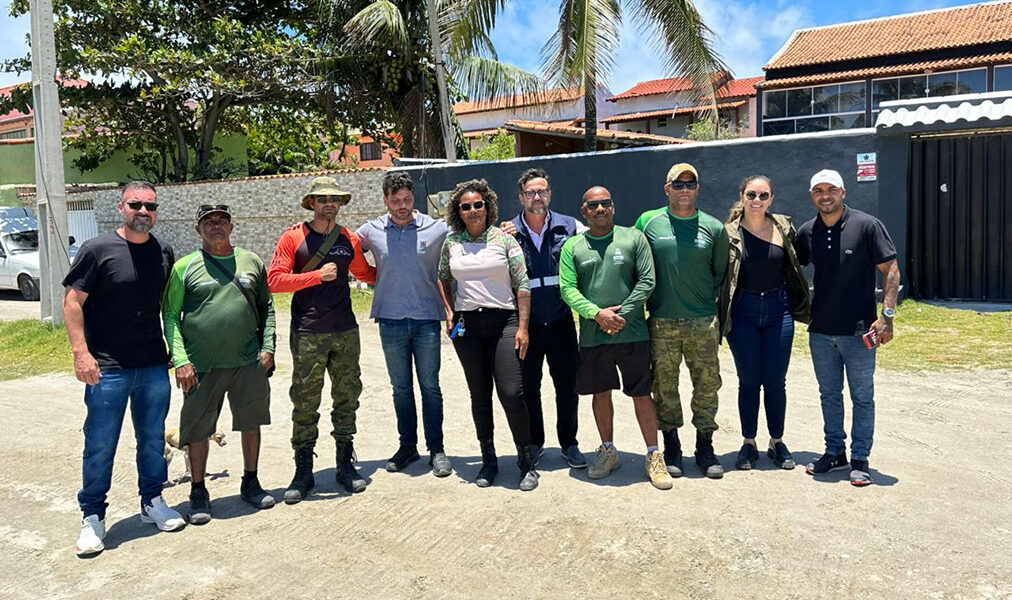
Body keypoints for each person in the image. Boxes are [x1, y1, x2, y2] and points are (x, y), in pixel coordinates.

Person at [63, 181, 185, 556]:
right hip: (108, 368)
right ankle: (93, 517)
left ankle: (152, 502)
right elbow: (72, 302)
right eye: (136, 204)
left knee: (151, 440)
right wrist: (81, 353)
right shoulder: (97, 250)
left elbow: (169, 306)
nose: (143, 211)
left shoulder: (163, 251)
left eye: (150, 206)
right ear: (121, 207)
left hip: (151, 364)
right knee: (100, 444)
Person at [163, 204, 277, 524]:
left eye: (222, 221)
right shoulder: (184, 267)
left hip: (248, 362)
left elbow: (267, 307)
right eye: (208, 222)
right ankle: (198, 491)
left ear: (232, 226)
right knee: (198, 429)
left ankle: (251, 481)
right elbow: (170, 315)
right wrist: (181, 360)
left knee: (250, 422)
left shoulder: (251, 261)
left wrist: (268, 346)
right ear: (197, 229)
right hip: (201, 367)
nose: (216, 226)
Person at [267, 177, 376, 502]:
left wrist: (402, 269)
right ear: (311, 203)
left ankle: (345, 463)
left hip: (345, 330)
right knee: (305, 401)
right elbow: (274, 281)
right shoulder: (293, 237)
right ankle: (303, 471)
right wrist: (316, 275)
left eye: (335, 199)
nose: (330, 203)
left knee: (347, 396)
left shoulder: (349, 239)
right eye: (323, 198)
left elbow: (365, 274)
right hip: (308, 332)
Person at [559, 186, 673, 490]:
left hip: (633, 332)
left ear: (614, 207)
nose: (600, 209)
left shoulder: (634, 238)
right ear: (584, 211)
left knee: (641, 394)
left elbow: (647, 280)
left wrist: (620, 315)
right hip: (594, 337)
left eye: (605, 203)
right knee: (600, 394)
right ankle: (608, 451)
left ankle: (653, 455)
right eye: (593, 205)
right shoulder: (573, 247)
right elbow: (568, 289)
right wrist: (598, 314)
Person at [794, 169, 901, 487]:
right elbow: (788, 266)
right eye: (818, 191)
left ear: (843, 193)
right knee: (829, 395)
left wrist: (888, 316)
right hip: (821, 331)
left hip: (859, 332)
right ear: (812, 195)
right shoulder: (807, 231)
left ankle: (860, 460)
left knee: (863, 397)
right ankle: (834, 453)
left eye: (831, 190)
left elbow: (891, 271)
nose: (825, 196)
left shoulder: (867, 225)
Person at [437, 179, 539, 491]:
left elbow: (522, 283)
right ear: (458, 210)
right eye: (465, 206)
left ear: (488, 206)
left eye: (478, 204)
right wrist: (450, 311)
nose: (472, 210)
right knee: (479, 394)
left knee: (511, 392)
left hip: (504, 322)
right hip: (467, 326)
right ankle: (489, 460)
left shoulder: (505, 240)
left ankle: (525, 461)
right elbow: (442, 277)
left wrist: (523, 327)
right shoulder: (452, 242)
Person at [635, 163, 729, 479]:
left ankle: (705, 446)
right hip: (661, 320)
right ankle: (672, 446)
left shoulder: (714, 228)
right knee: (664, 387)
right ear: (667, 189)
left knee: (706, 385)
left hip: (702, 321)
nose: (684, 190)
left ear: (698, 189)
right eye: (678, 185)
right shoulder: (649, 222)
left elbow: (718, 273)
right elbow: (638, 264)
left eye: (690, 185)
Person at [356, 171, 453, 477]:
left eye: (407, 199)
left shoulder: (436, 229)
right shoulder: (371, 230)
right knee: (401, 389)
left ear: (414, 198)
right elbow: (342, 245)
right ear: (385, 200)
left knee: (430, 387)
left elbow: (469, 234)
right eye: (395, 200)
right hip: (390, 320)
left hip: (426, 320)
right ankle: (408, 447)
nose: (401, 205)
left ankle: (437, 450)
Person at [718, 176, 811, 471]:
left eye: (763, 194)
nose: (757, 199)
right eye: (751, 194)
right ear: (742, 196)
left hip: (778, 310)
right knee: (748, 381)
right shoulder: (729, 233)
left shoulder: (784, 227)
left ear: (771, 198)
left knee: (775, 381)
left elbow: (802, 261)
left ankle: (776, 441)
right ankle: (748, 443)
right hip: (743, 310)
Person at [500, 167, 585, 469]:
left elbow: (601, 243)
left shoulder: (570, 226)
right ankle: (535, 443)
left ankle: (569, 443)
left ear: (550, 193)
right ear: (521, 196)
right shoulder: (506, 231)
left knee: (567, 386)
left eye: (543, 191)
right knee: (529, 387)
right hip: (526, 324)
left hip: (561, 320)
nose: (538, 197)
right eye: (531, 192)